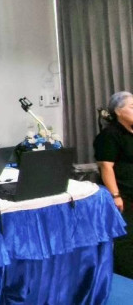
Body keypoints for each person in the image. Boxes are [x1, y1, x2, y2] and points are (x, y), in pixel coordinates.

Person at [94, 90, 133, 278]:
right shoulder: (109, 135)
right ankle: (126, 277)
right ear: (118, 111)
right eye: (132, 107)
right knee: (126, 238)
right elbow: (106, 167)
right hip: (124, 194)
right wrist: (115, 195)